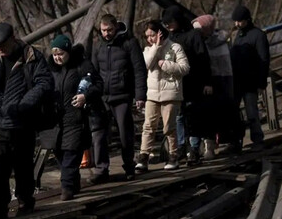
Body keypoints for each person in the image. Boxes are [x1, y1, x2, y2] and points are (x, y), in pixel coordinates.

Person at [0, 22, 54, 219]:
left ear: (13, 39)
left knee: (22, 164)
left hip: (22, 121)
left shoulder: (31, 57)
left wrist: (24, 105)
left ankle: (24, 201)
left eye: (2, 46)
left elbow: (44, 83)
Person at [90, 14, 145, 183]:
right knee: (99, 134)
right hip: (102, 98)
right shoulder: (98, 46)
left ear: (116, 27)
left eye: (109, 30)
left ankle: (129, 166)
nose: (106, 33)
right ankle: (101, 169)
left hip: (122, 96)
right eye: (103, 30)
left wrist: (140, 95)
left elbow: (139, 70)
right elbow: (92, 72)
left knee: (124, 134)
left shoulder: (129, 43)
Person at [49, 35, 103, 200]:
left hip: (75, 118)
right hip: (56, 120)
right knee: (59, 152)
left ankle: (66, 188)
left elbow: (98, 85)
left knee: (71, 153)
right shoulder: (50, 69)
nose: (58, 58)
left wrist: (85, 96)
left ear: (68, 52)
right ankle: (74, 181)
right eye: (55, 54)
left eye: (61, 54)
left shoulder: (81, 65)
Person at [137, 20, 190, 173]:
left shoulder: (175, 47)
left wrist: (165, 65)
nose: (150, 39)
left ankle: (173, 155)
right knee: (148, 126)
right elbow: (145, 65)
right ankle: (143, 157)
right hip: (152, 94)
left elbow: (185, 68)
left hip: (170, 94)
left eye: (152, 35)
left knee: (169, 127)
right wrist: (155, 48)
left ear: (160, 32)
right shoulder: (148, 50)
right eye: (147, 36)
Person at [164, 6, 211, 166]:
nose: (168, 25)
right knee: (178, 116)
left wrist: (207, 82)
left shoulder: (193, 36)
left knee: (193, 116)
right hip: (176, 85)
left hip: (194, 82)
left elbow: (204, 60)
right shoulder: (168, 38)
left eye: (170, 22)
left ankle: (194, 149)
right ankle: (181, 147)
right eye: (166, 23)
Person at [192, 14, 236, 158]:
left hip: (221, 79)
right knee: (210, 114)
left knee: (225, 111)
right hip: (211, 79)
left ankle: (230, 141)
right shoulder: (202, 42)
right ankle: (210, 145)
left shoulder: (217, 41)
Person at [228, 5, 270, 152]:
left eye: (239, 21)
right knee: (233, 112)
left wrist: (261, 81)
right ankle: (235, 141)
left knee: (252, 112)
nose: (237, 24)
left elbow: (264, 59)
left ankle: (257, 139)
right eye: (235, 21)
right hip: (236, 80)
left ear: (247, 20)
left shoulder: (258, 35)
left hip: (250, 80)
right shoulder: (236, 35)